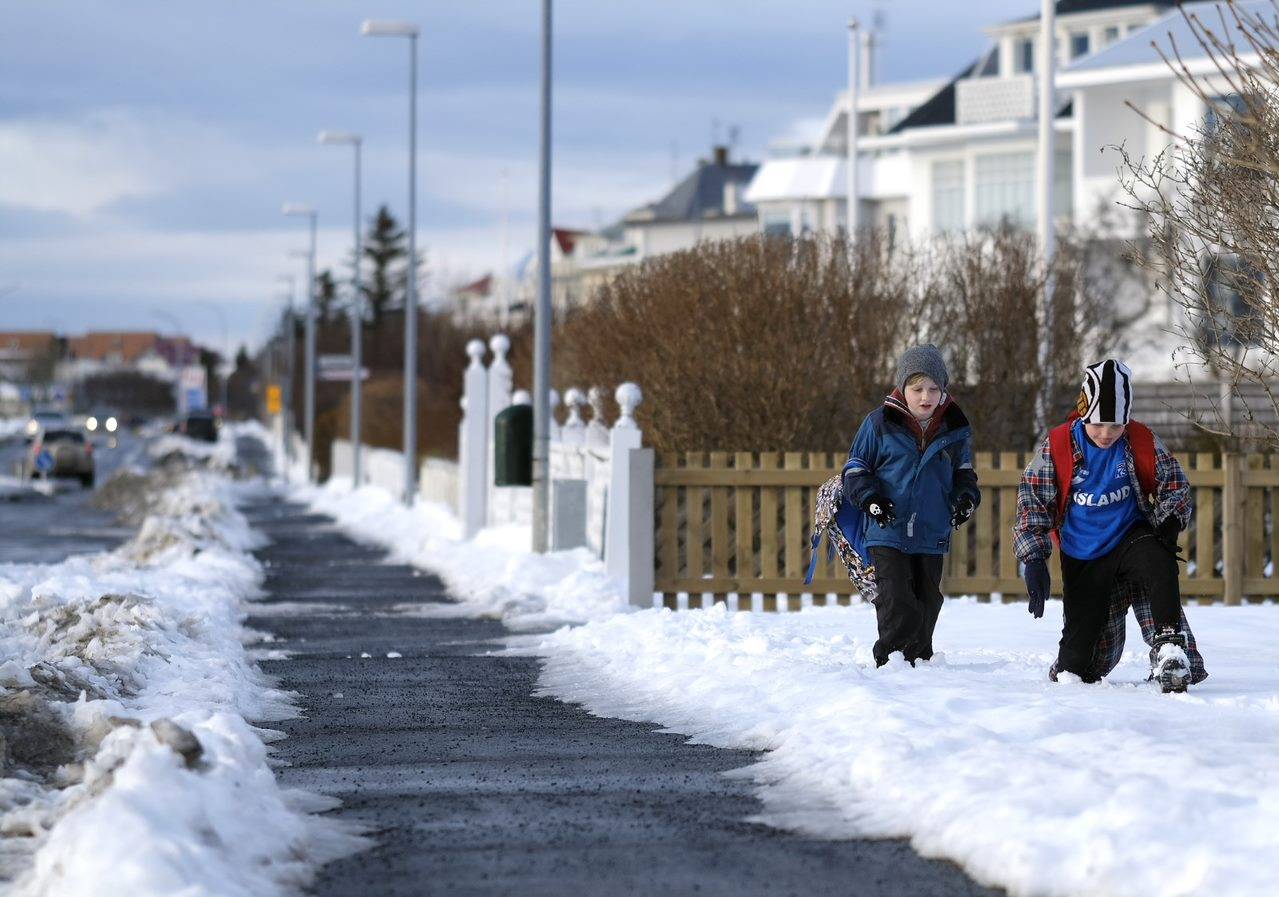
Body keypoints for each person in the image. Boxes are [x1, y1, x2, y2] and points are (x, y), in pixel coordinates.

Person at [1014, 359, 1203, 693]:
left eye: (1115, 425)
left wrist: (1170, 523)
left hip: (1131, 537)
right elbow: (1033, 503)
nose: (1106, 433)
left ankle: (1171, 650)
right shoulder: (1058, 446)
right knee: (1082, 666)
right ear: (1084, 414)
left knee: (1157, 560)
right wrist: (1033, 559)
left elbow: (1176, 485)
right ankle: (1072, 661)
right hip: (1084, 553)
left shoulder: (1140, 440)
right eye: (1098, 424)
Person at [842, 345, 980, 666]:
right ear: (903, 389)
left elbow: (965, 474)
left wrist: (965, 499)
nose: (925, 397)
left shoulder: (955, 428)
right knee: (898, 601)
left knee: (928, 602)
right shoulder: (879, 423)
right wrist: (872, 499)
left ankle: (919, 664)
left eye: (933, 388)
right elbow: (856, 470)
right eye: (917, 388)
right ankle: (891, 664)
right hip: (887, 529)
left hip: (931, 531)